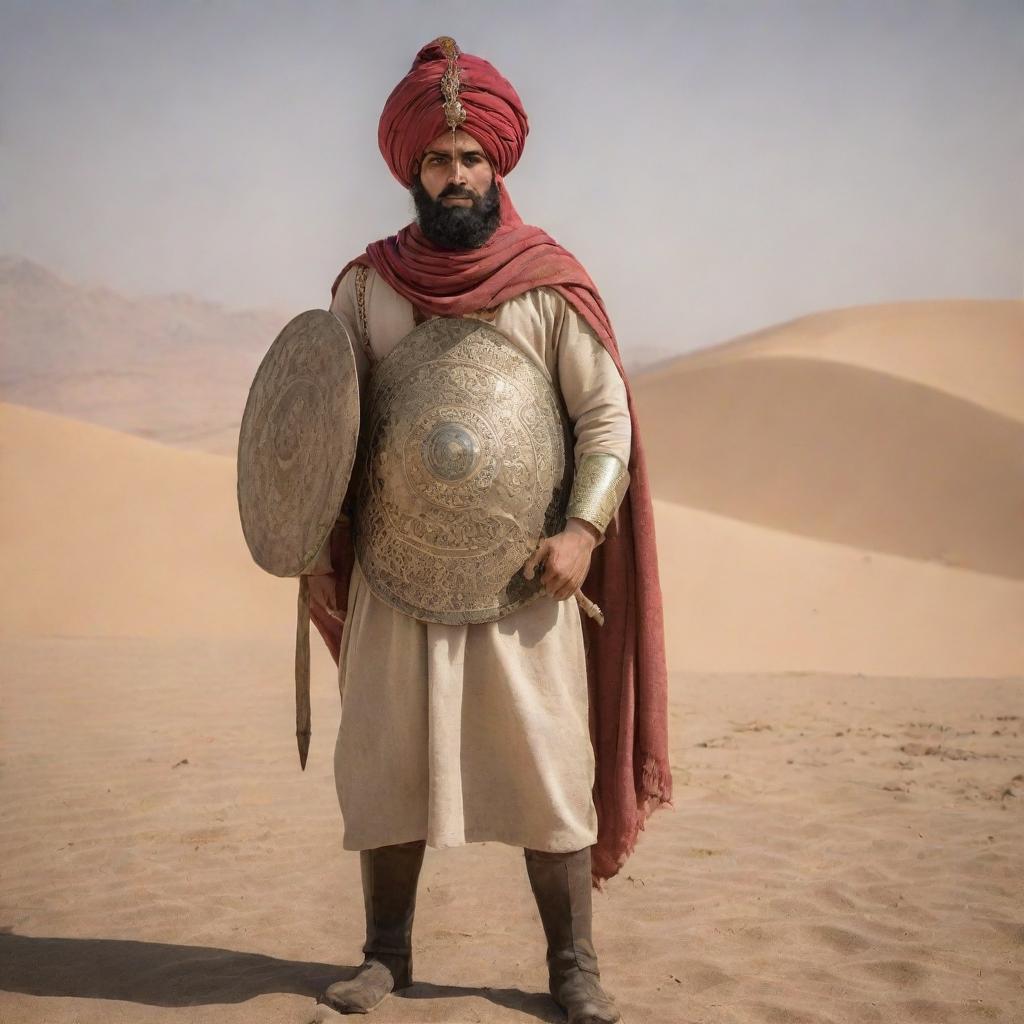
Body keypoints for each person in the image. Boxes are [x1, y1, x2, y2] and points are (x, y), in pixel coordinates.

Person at [303, 37, 671, 1023]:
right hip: (394, 567)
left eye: (470, 156)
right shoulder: (365, 288)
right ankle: (385, 955)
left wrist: (585, 532)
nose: (455, 173)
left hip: (521, 572)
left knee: (547, 764)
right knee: (384, 762)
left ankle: (571, 965)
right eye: (438, 158)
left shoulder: (546, 283)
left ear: (497, 163)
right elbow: (315, 428)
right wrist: (306, 536)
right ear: (411, 168)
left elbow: (605, 421)